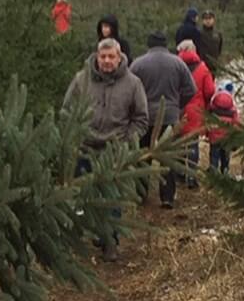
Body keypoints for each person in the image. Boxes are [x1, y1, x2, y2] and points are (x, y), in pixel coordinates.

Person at [62, 37, 149, 260]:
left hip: (114, 151)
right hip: (84, 148)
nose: (107, 61)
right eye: (103, 56)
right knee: (84, 198)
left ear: (119, 57)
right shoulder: (82, 80)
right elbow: (67, 111)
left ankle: (111, 242)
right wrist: (74, 136)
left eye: (111, 56)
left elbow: (141, 119)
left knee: (112, 199)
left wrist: (127, 142)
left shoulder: (133, 83)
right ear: (97, 57)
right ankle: (86, 238)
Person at [129, 32, 195, 209]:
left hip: (145, 117)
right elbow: (191, 89)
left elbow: (129, 89)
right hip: (170, 116)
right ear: (166, 44)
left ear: (149, 44)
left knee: (143, 156)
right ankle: (167, 197)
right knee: (168, 157)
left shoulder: (138, 63)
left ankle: (141, 195)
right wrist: (178, 106)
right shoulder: (178, 62)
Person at [176, 40, 216, 187]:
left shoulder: (176, 66)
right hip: (196, 110)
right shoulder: (203, 68)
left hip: (179, 109)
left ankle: (179, 173)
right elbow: (210, 91)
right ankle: (191, 177)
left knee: (178, 144)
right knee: (193, 145)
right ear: (194, 50)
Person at [204, 83, 240, 175]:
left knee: (214, 155)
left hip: (214, 138)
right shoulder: (233, 111)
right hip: (226, 139)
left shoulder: (212, 109)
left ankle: (213, 171)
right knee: (225, 156)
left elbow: (207, 122)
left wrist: (207, 134)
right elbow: (236, 125)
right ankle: (225, 171)